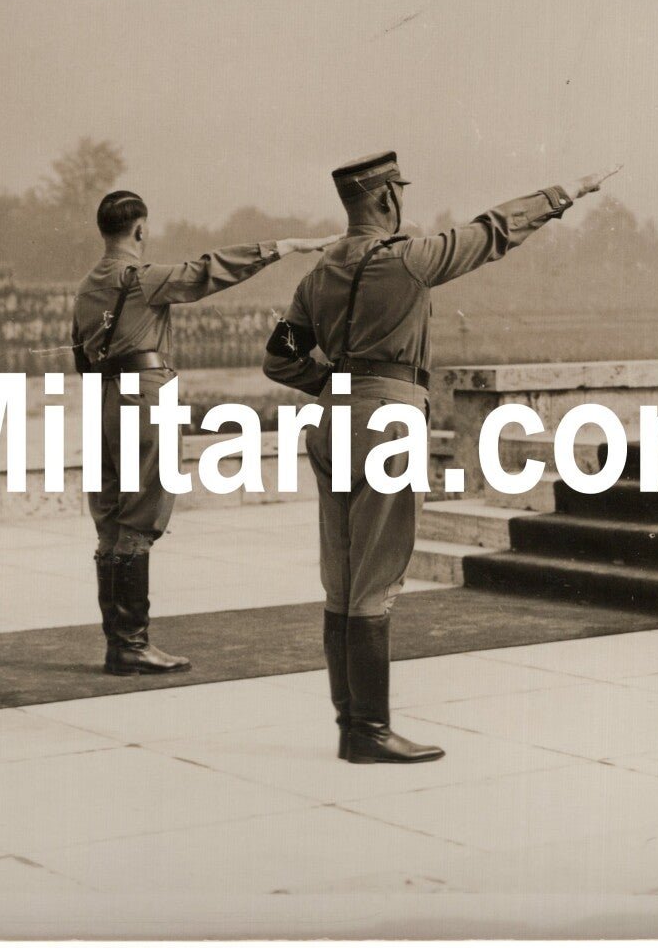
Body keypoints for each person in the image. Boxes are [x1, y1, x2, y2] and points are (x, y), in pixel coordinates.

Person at [263, 152, 615, 764]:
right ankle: (369, 732)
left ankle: (352, 725)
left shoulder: (316, 277)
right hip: (388, 418)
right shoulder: (406, 262)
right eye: (398, 191)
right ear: (386, 201)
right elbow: (493, 232)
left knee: (341, 578)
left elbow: (279, 357)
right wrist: (565, 192)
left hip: (330, 417)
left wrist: (329, 382)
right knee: (377, 577)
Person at [71, 190, 338, 676]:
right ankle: (131, 645)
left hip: (102, 400)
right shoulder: (140, 278)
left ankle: (120, 644)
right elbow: (211, 270)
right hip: (144, 395)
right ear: (140, 230)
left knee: (110, 522)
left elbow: (78, 355)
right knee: (139, 518)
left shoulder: (88, 285)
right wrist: (286, 245)